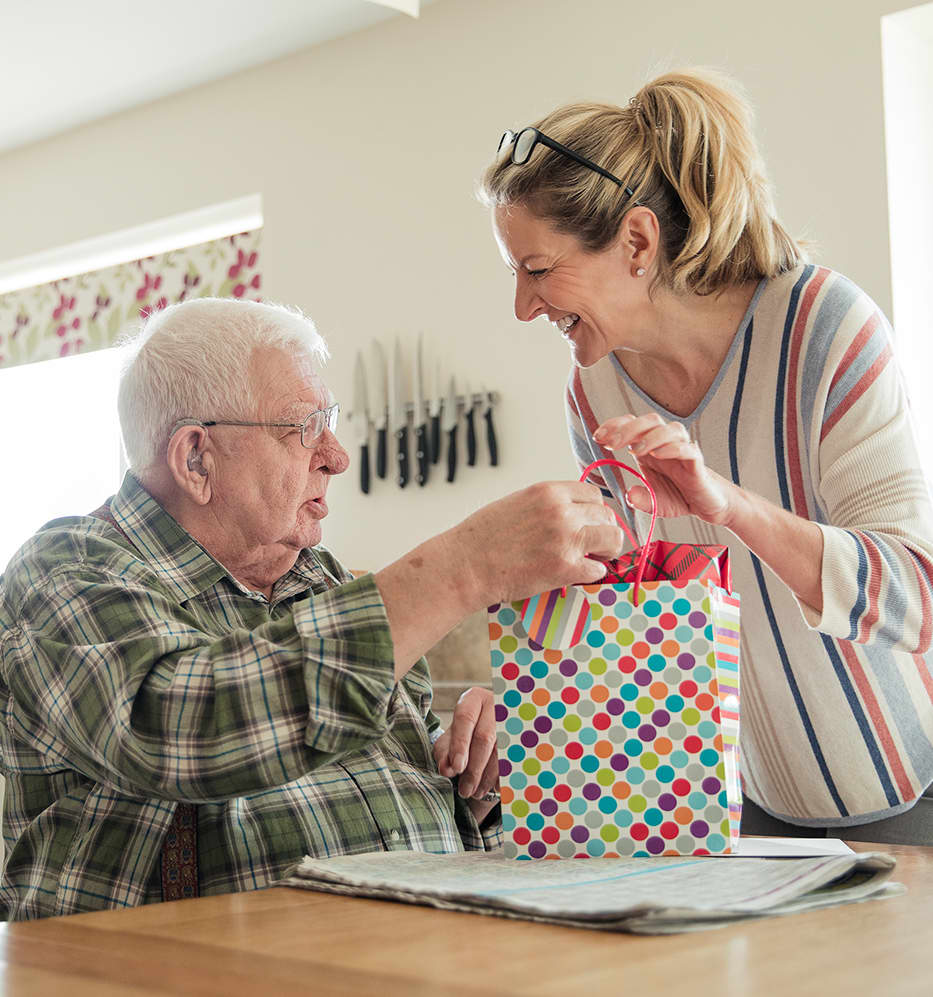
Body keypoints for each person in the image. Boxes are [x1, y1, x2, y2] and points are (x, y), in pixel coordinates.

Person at [0, 297, 622, 920]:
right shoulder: (67, 568)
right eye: (302, 428)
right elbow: (189, 730)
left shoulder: (320, 581)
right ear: (196, 458)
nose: (336, 455)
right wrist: (463, 567)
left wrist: (475, 777)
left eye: (330, 422)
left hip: (424, 954)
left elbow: (423, 796)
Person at [480, 69, 933, 842]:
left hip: (912, 791)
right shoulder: (594, 391)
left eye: (537, 270)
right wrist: (520, 688)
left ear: (635, 242)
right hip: (733, 813)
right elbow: (625, 597)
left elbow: (915, 593)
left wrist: (729, 507)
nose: (523, 307)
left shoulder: (824, 330)